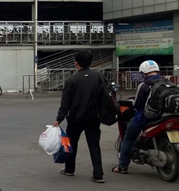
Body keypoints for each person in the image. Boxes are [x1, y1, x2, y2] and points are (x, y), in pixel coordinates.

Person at [53, 50, 105, 183]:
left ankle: (69, 169)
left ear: (76, 63)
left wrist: (59, 118)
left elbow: (66, 102)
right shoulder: (99, 77)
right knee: (94, 144)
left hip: (76, 118)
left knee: (71, 143)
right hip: (94, 117)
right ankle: (98, 174)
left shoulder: (72, 80)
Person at [113, 60, 162, 174]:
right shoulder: (167, 82)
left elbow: (137, 104)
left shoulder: (144, 85)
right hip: (164, 117)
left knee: (128, 138)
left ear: (143, 72)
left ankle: (122, 166)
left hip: (146, 117)